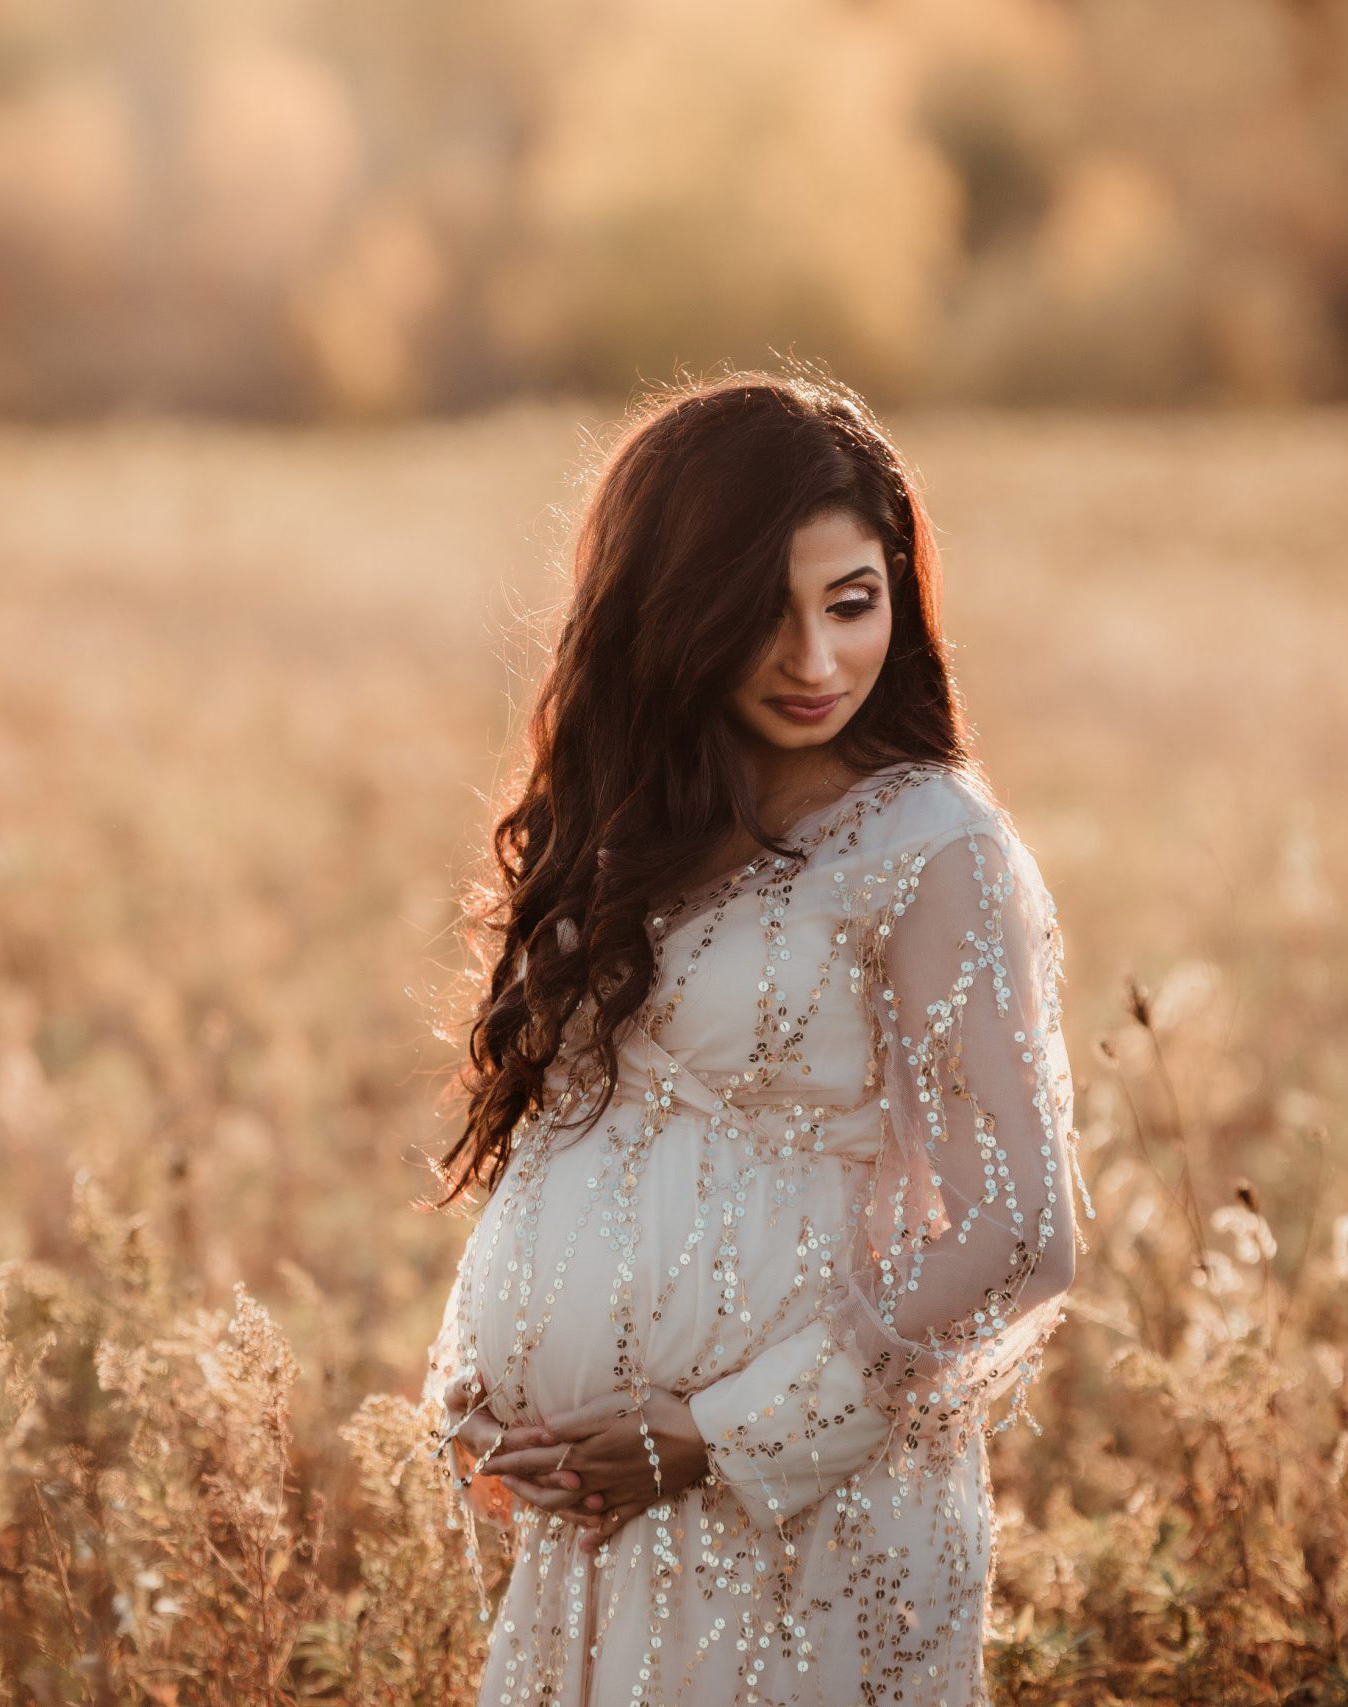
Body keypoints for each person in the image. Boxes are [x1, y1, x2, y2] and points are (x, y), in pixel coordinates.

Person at [412, 370, 1096, 1704]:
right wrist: (490, 1398)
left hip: (799, 1521)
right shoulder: (628, 826)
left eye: (853, 603)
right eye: (761, 614)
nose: (819, 660)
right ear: (671, 614)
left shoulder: (926, 845)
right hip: (606, 1523)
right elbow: (578, 1136)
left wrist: (718, 1435)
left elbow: (1020, 1224)